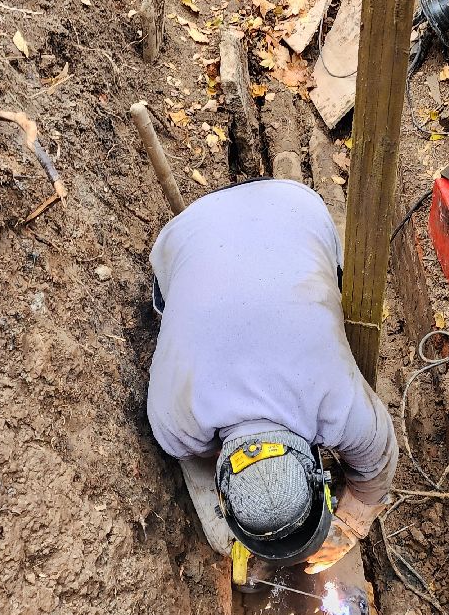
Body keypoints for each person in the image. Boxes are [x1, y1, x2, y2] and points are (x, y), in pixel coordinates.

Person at [146, 178, 397, 576]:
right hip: (190, 232)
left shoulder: (343, 408)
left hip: (290, 209)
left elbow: (378, 466)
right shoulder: (172, 424)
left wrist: (350, 523)